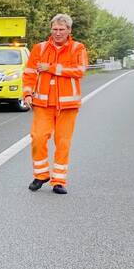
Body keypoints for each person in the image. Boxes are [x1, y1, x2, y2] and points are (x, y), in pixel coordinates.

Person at [22, 13, 87, 194]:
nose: (58, 32)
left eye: (61, 29)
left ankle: (59, 180)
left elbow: (80, 70)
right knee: (38, 138)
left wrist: (51, 68)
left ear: (69, 30)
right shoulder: (40, 49)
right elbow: (29, 73)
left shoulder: (78, 48)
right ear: (51, 29)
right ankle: (41, 175)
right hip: (43, 104)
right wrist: (27, 93)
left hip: (68, 107)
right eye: (55, 29)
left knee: (63, 142)